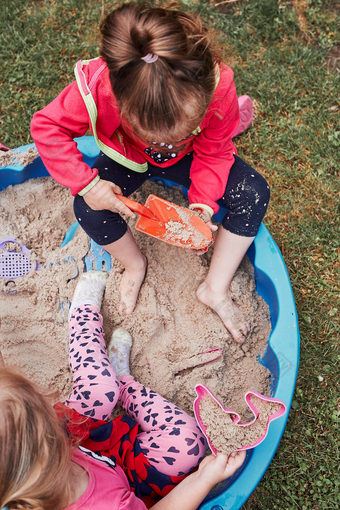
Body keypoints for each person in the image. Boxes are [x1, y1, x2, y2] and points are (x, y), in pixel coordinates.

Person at [30, 2, 270, 343]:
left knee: (254, 193)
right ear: (121, 100)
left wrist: (202, 204)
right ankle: (134, 264)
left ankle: (215, 287)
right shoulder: (100, 88)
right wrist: (88, 185)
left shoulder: (218, 86)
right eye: (151, 129)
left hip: (193, 156)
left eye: (180, 126)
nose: (163, 139)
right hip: (128, 157)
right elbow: (47, 126)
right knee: (88, 209)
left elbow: (215, 149)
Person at [0, 271, 246, 510]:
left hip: (81, 443)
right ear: (44, 445)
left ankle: (84, 316)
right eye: (42, 404)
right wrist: (203, 479)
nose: (52, 403)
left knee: (101, 387)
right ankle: (123, 379)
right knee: (188, 443)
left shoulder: (22, 453)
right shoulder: (110, 505)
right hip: (125, 481)